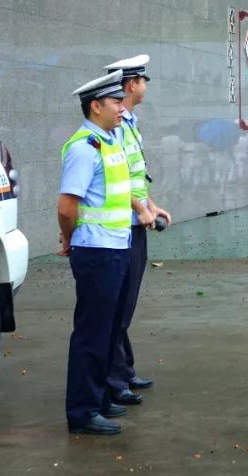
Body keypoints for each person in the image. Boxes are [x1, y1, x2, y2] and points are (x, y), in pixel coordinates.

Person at [58, 70, 133, 436]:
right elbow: (66, 205)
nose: (122, 107)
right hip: (95, 251)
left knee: (106, 330)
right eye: (116, 102)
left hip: (116, 248)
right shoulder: (83, 147)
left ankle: (100, 399)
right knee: (91, 332)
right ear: (96, 106)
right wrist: (66, 239)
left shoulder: (109, 142)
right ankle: (82, 411)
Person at [102, 55, 170, 408]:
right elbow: (114, 178)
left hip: (135, 221)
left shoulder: (128, 123)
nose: (145, 86)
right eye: (144, 80)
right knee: (118, 307)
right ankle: (114, 381)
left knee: (125, 304)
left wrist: (151, 205)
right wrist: (141, 210)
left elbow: (134, 175)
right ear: (131, 85)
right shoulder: (113, 126)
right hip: (120, 227)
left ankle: (124, 371)